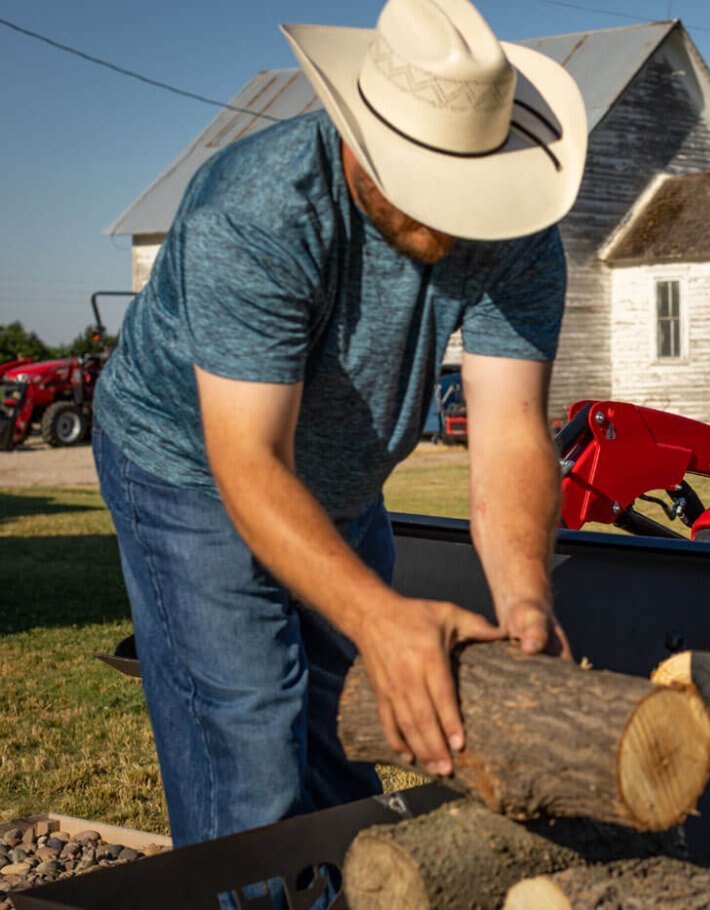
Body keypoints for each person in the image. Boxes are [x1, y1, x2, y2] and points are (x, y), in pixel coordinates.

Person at [93, 0, 588, 846]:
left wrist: (525, 602)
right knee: (248, 733)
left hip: (342, 475)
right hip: (189, 469)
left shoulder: (515, 224)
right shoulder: (257, 211)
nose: (450, 219)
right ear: (361, 139)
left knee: (346, 719)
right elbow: (246, 458)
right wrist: (380, 616)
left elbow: (508, 433)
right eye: (429, 189)